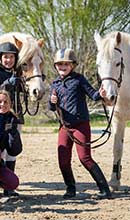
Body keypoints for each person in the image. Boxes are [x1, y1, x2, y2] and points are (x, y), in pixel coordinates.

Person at [48, 48, 112, 199]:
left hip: (81, 125)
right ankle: (70, 189)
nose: (62, 67)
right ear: (55, 66)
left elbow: (93, 95)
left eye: (66, 64)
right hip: (64, 126)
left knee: (85, 158)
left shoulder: (79, 79)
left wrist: (101, 94)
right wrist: (52, 102)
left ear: (73, 65)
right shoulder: (55, 83)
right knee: (63, 160)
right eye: (59, 64)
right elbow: (51, 107)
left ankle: (105, 189)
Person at [0, 42, 22, 197]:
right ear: (0, 58)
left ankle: (8, 187)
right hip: (0, 117)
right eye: (6, 57)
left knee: (12, 151)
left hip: (15, 116)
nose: (8, 60)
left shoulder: (18, 74)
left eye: (11, 57)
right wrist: (8, 82)